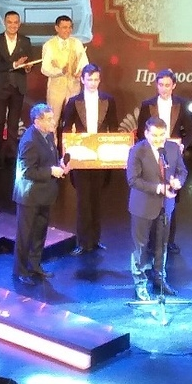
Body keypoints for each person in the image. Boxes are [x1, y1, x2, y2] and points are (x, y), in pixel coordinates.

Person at [135, 69, 192, 254]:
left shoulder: (181, 104)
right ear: (156, 85)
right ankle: (150, 240)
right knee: (152, 196)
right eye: (161, 85)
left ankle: (169, 240)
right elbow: (140, 131)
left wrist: (182, 146)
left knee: (171, 197)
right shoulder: (147, 105)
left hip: (172, 154)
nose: (164, 88)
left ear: (174, 86)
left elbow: (191, 131)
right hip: (152, 155)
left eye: (167, 85)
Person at [127, 117, 188, 301]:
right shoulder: (137, 150)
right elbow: (133, 180)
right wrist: (159, 188)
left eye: (162, 135)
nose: (159, 139)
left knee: (161, 246)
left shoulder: (172, 148)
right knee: (140, 247)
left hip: (165, 207)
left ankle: (159, 280)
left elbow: (182, 171)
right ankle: (140, 284)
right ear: (146, 133)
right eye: (154, 135)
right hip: (142, 207)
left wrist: (178, 182)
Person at [60, 64, 117, 255]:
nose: (93, 83)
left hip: (101, 157)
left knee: (97, 199)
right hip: (81, 155)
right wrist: (66, 156)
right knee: (83, 200)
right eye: (89, 79)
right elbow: (66, 130)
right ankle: (83, 242)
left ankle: (96, 239)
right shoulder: (73, 101)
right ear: (82, 80)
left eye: (96, 79)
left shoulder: (108, 100)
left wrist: (114, 153)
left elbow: (114, 128)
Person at [13, 104, 66, 286]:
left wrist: (59, 166)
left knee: (39, 233)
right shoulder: (29, 141)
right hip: (30, 196)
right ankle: (21, 271)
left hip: (44, 194)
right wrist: (51, 171)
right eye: (49, 119)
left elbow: (49, 160)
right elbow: (28, 171)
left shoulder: (48, 135)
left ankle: (34, 265)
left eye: (53, 118)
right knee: (25, 235)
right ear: (37, 121)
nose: (53, 122)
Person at [0, 11, 34, 170]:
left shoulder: (25, 41)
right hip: (1, 87)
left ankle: (11, 156)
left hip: (18, 87)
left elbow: (29, 63)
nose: (13, 25)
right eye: (9, 22)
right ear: (4, 23)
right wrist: (14, 65)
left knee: (13, 123)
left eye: (15, 22)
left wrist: (27, 67)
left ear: (19, 24)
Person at [41, 15, 88, 118]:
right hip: (56, 88)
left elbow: (84, 63)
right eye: (64, 27)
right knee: (52, 119)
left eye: (70, 27)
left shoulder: (77, 43)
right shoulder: (49, 45)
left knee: (73, 118)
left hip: (73, 87)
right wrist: (60, 71)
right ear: (57, 28)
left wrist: (80, 73)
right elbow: (45, 68)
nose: (68, 30)